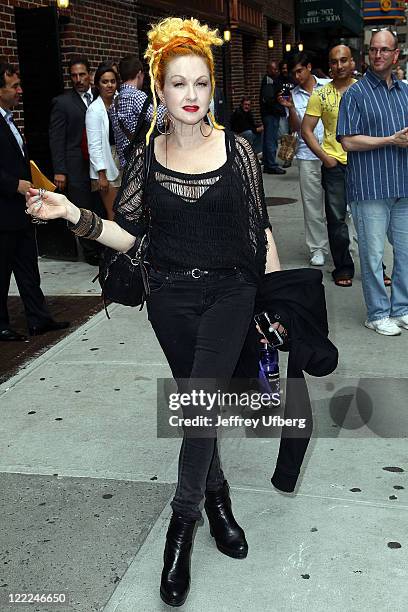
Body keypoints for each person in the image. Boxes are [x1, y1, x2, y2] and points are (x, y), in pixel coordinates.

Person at [25, 16, 281, 606]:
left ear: (211, 88)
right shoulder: (146, 157)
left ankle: (181, 527)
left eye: (200, 84)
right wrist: (71, 214)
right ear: (159, 92)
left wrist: (275, 300)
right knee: (200, 401)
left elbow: (258, 230)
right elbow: (130, 236)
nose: (191, 96)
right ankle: (219, 502)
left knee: (198, 403)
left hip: (230, 295)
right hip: (168, 297)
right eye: (178, 84)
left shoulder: (238, 150)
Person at [337, 29, 408, 336]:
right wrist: (390, 140)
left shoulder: (405, 92)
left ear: (396, 55)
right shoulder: (356, 93)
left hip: (403, 185)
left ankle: (401, 308)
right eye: (373, 50)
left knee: (405, 254)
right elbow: (348, 141)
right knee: (373, 255)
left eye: (384, 50)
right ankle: (377, 313)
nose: (377, 55)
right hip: (370, 187)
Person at [0, 62, 69, 340]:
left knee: (28, 268)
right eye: (14, 86)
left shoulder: (9, 119)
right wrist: (13, 184)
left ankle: (38, 319)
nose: (20, 90)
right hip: (3, 212)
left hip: (20, 210)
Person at [301, 45, 355, 287]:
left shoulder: (364, 90)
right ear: (330, 66)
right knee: (337, 220)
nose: (339, 65)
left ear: (352, 62)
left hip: (364, 163)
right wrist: (325, 157)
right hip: (334, 166)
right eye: (334, 62)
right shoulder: (321, 94)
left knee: (369, 217)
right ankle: (343, 268)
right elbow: (306, 130)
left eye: (344, 60)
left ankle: (378, 268)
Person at [278, 52, 329, 266]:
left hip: (332, 152)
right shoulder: (294, 95)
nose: (297, 76)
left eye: (300, 70)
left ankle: (345, 246)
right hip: (307, 155)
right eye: (293, 73)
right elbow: (296, 128)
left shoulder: (328, 86)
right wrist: (290, 109)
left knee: (340, 205)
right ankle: (317, 248)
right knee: (312, 204)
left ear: (309, 67)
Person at [49, 56, 100, 265]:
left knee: (100, 206)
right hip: (75, 165)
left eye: (82, 74)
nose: (78, 79)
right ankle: (90, 252)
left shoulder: (100, 96)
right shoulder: (62, 103)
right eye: (74, 75)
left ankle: (103, 245)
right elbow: (56, 138)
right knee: (82, 208)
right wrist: (60, 170)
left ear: (89, 74)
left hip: (98, 164)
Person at [109, 54, 166, 168]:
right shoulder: (137, 96)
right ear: (139, 74)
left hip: (126, 162)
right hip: (141, 161)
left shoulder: (115, 102)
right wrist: (162, 98)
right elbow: (159, 119)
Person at [86, 62, 121, 221]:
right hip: (105, 164)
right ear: (97, 85)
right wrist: (101, 174)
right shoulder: (94, 110)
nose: (109, 85)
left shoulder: (120, 102)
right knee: (113, 213)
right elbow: (94, 146)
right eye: (105, 81)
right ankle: (114, 246)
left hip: (122, 159)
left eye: (112, 81)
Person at [259, 60, 286, 174]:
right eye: (274, 69)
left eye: (276, 69)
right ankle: (271, 165)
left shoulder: (270, 80)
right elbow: (269, 99)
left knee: (268, 139)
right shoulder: (269, 81)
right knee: (271, 140)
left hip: (269, 114)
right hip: (271, 114)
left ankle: (267, 163)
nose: (276, 71)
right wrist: (279, 108)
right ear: (268, 69)